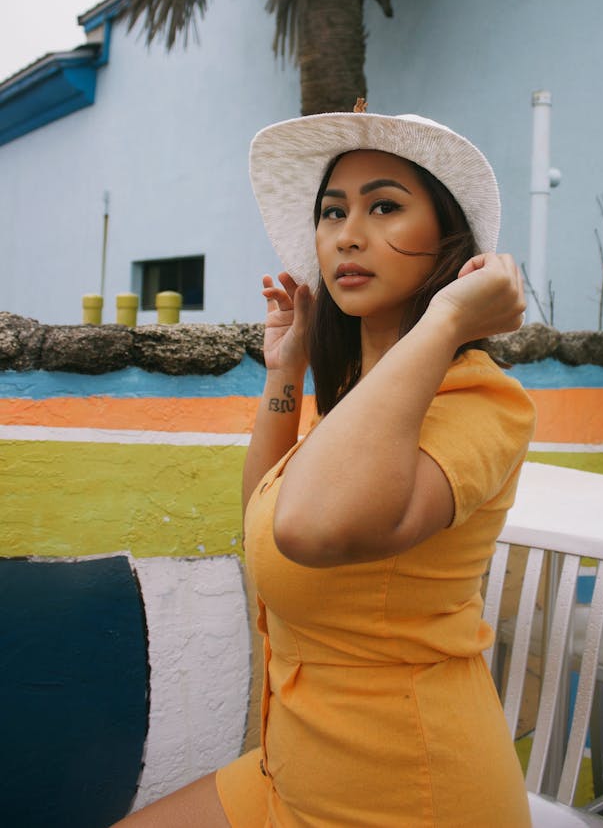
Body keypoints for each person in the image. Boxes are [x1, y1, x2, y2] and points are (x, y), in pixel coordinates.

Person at [113, 107, 535, 827]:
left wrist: (447, 319)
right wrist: (287, 368)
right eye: (332, 211)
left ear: (447, 239)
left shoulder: (478, 398)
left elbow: (309, 527)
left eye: (384, 206)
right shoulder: (359, 403)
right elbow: (265, 519)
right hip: (292, 773)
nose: (347, 232)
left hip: (404, 790)